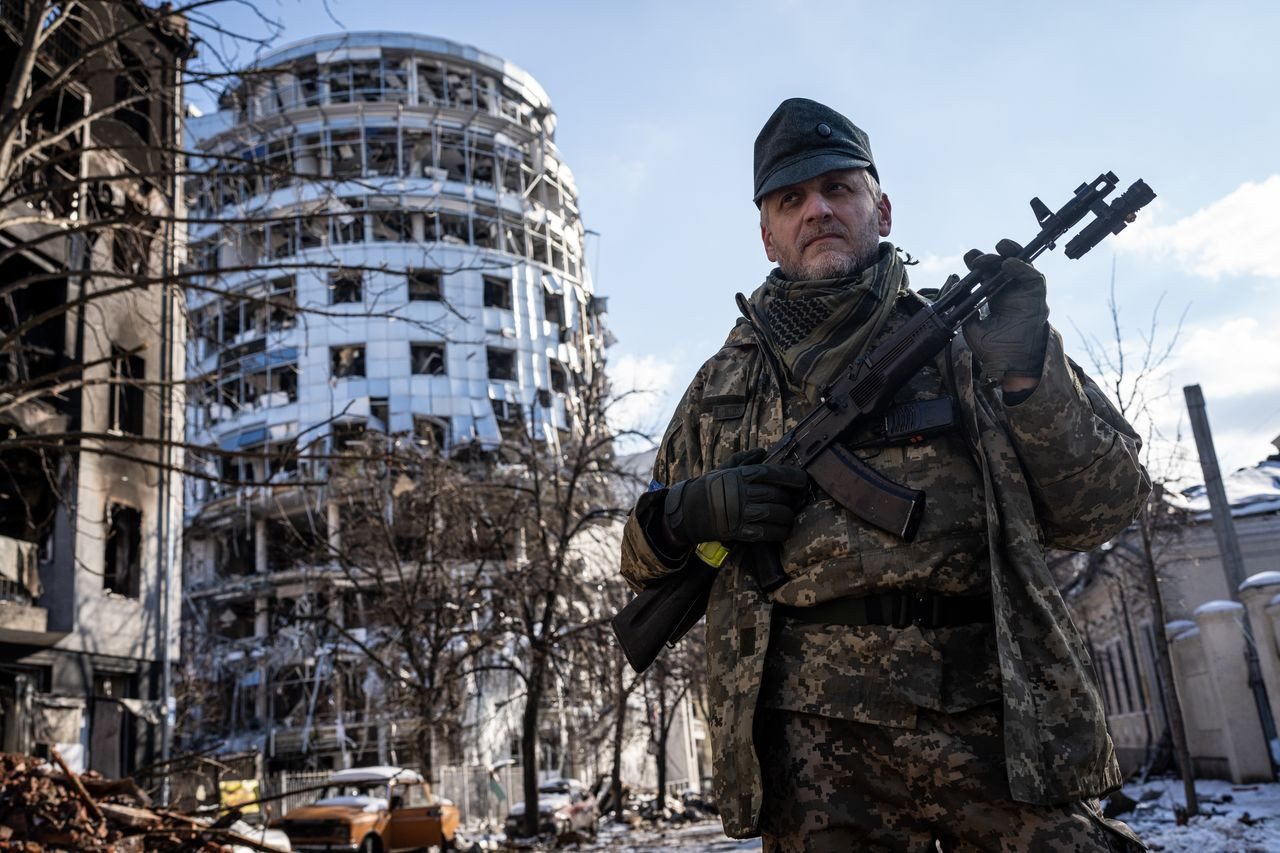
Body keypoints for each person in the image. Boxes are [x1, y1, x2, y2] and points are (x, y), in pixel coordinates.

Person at [618, 97, 1151, 851]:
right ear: (768, 236)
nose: (819, 210)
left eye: (840, 188)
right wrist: (686, 516)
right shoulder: (722, 388)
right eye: (792, 198)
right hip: (813, 745)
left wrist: (1032, 377)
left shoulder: (980, 340)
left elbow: (1106, 506)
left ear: (883, 208)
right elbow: (638, 560)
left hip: (998, 713)